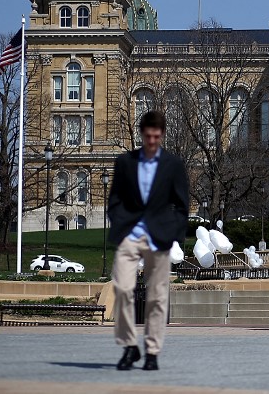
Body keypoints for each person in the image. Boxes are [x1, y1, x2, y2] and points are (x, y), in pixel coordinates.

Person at [108, 109, 189, 372]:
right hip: (130, 235)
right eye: (148, 136)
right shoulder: (125, 163)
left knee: (156, 297)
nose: (152, 141)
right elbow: (115, 199)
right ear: (141, 134)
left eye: (156, 136)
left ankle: (152, 351)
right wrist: (120, 226)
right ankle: (130, 346)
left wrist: (174, 235)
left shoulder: (173, 165)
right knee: (121, 288)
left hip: (159, 237)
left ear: (162, 135)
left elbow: (181, 204)